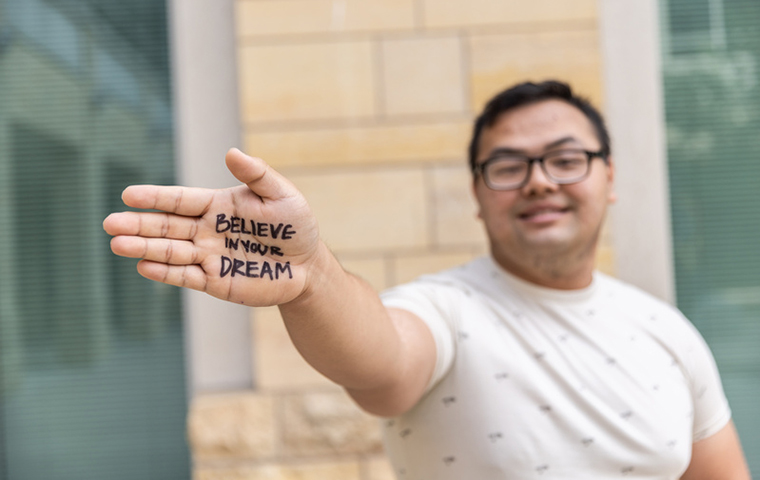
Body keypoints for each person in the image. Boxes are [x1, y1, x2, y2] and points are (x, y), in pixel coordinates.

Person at [103, 80, 750, 479]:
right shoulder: (447, 309)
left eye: (566, 159)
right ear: (477, 193)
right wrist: (313, 278)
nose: (539, 180)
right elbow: (383, 359)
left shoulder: (668, 330)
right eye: (508, 165)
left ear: (609, 178)